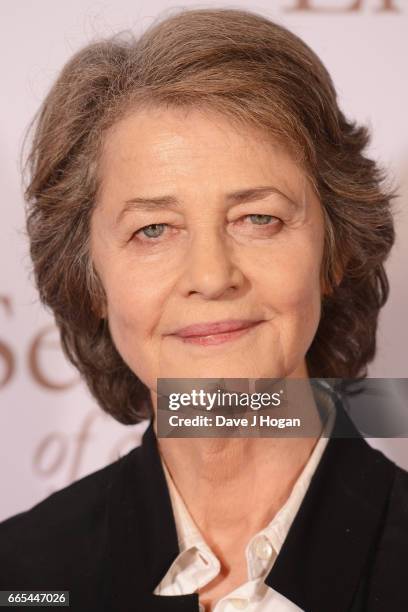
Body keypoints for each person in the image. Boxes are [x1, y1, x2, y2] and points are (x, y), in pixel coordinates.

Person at [0, 7, 407, 612]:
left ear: (335, 249)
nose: (212, 277)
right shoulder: (22, 575)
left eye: (258, 218)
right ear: (88, 278)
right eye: (154, 229)